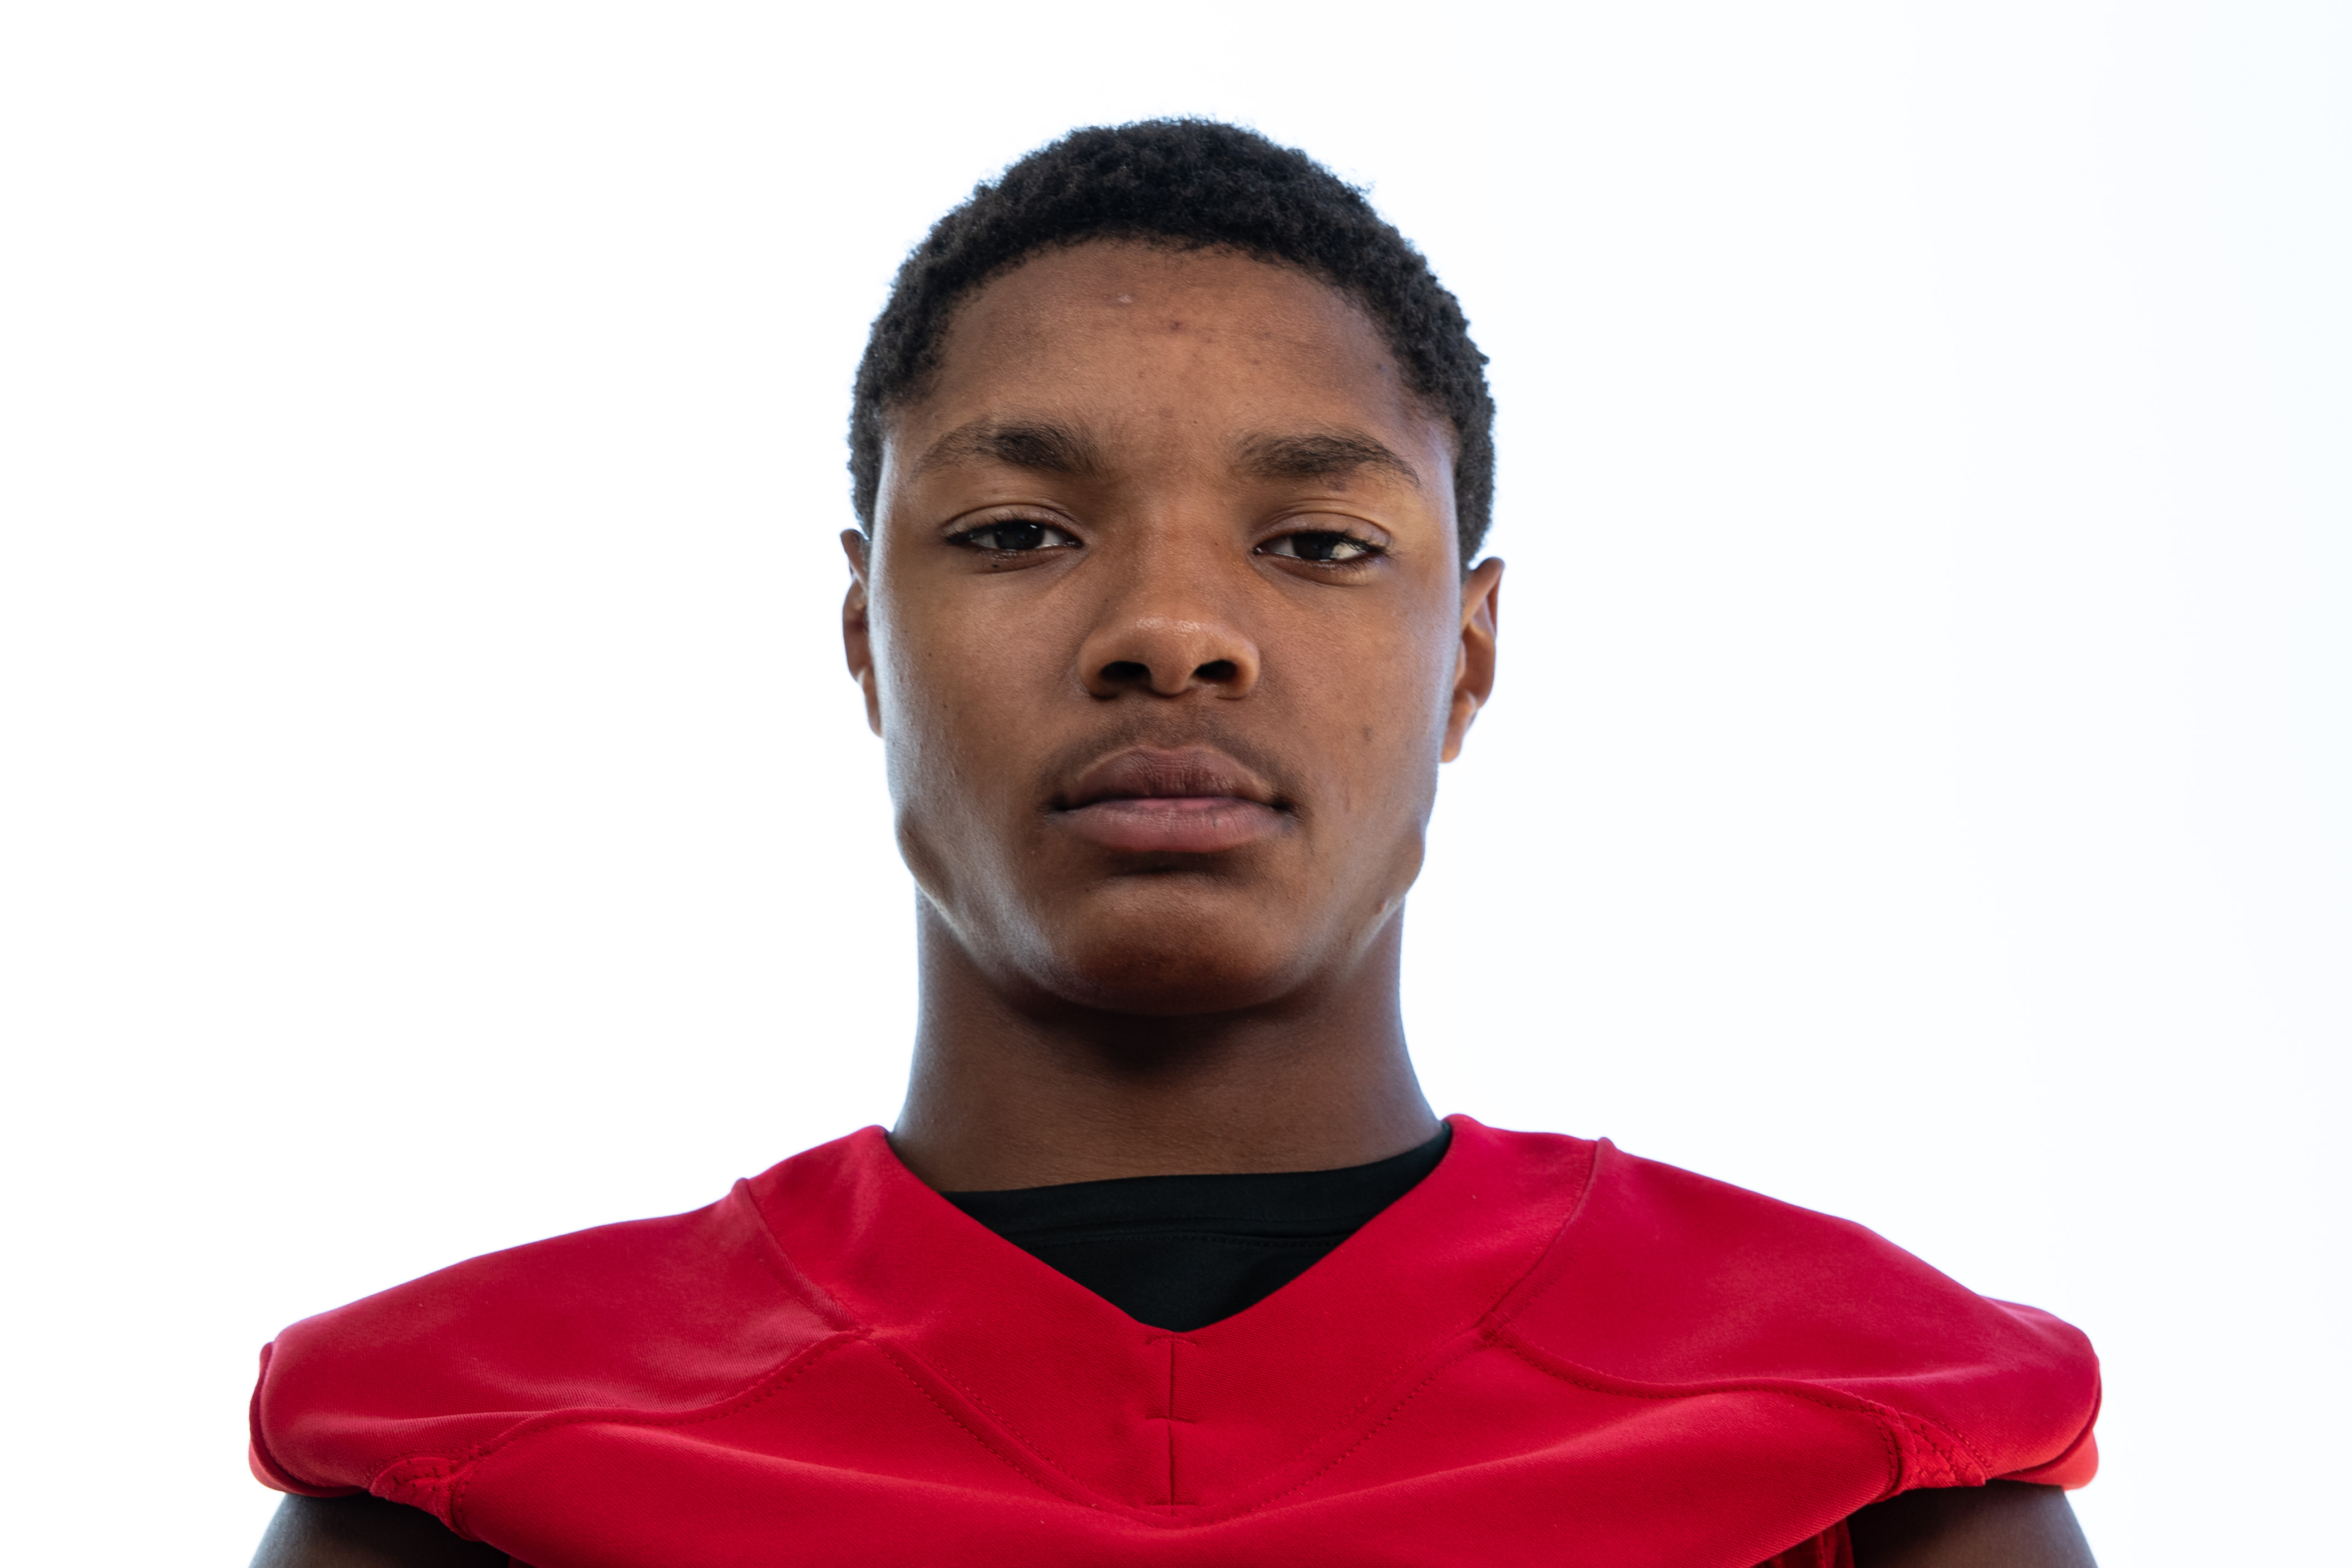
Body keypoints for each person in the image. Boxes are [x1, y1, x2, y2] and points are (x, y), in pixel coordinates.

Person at [248, 120, 2100, 1567]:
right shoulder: (471, 1476)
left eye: (1316, 544)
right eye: (1015, 532)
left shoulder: (1867, 1450)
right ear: (864, 638)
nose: (1171, 631)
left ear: (1466, 656)